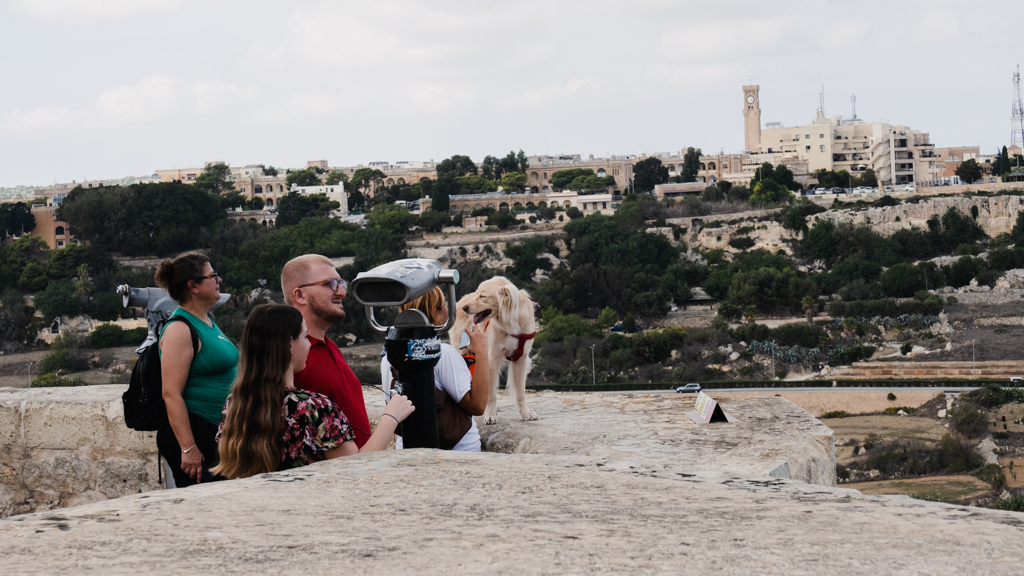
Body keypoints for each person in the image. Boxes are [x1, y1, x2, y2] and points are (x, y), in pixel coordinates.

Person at [213, 304, 414, 479]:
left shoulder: (234, 403)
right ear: (290, 344)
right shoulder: (313, 407)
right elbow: (357, 466)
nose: (309, 344)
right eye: (305, 336)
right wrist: (390, 417)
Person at [155, 252, 239, 487]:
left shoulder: (207, 319)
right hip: (198, 432)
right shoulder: (179, 329)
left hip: (218, 431)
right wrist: (188, 447)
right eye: (212, 275)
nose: (218, 280)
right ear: (193, 286)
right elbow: (171, 394)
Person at [380, 286, 489, 451]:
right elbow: (478, 405)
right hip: (459, 450)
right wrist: (481, 352)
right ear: (435, 311)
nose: (446, 309)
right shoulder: (442, 353)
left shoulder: (389, 355)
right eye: (444, 304)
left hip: (406, 448)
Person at [281, 254, 373, 448]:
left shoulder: (329, 345)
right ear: (299, 295)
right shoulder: (289, 356)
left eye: (341, 283)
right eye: (330, 284)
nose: (341, 292)